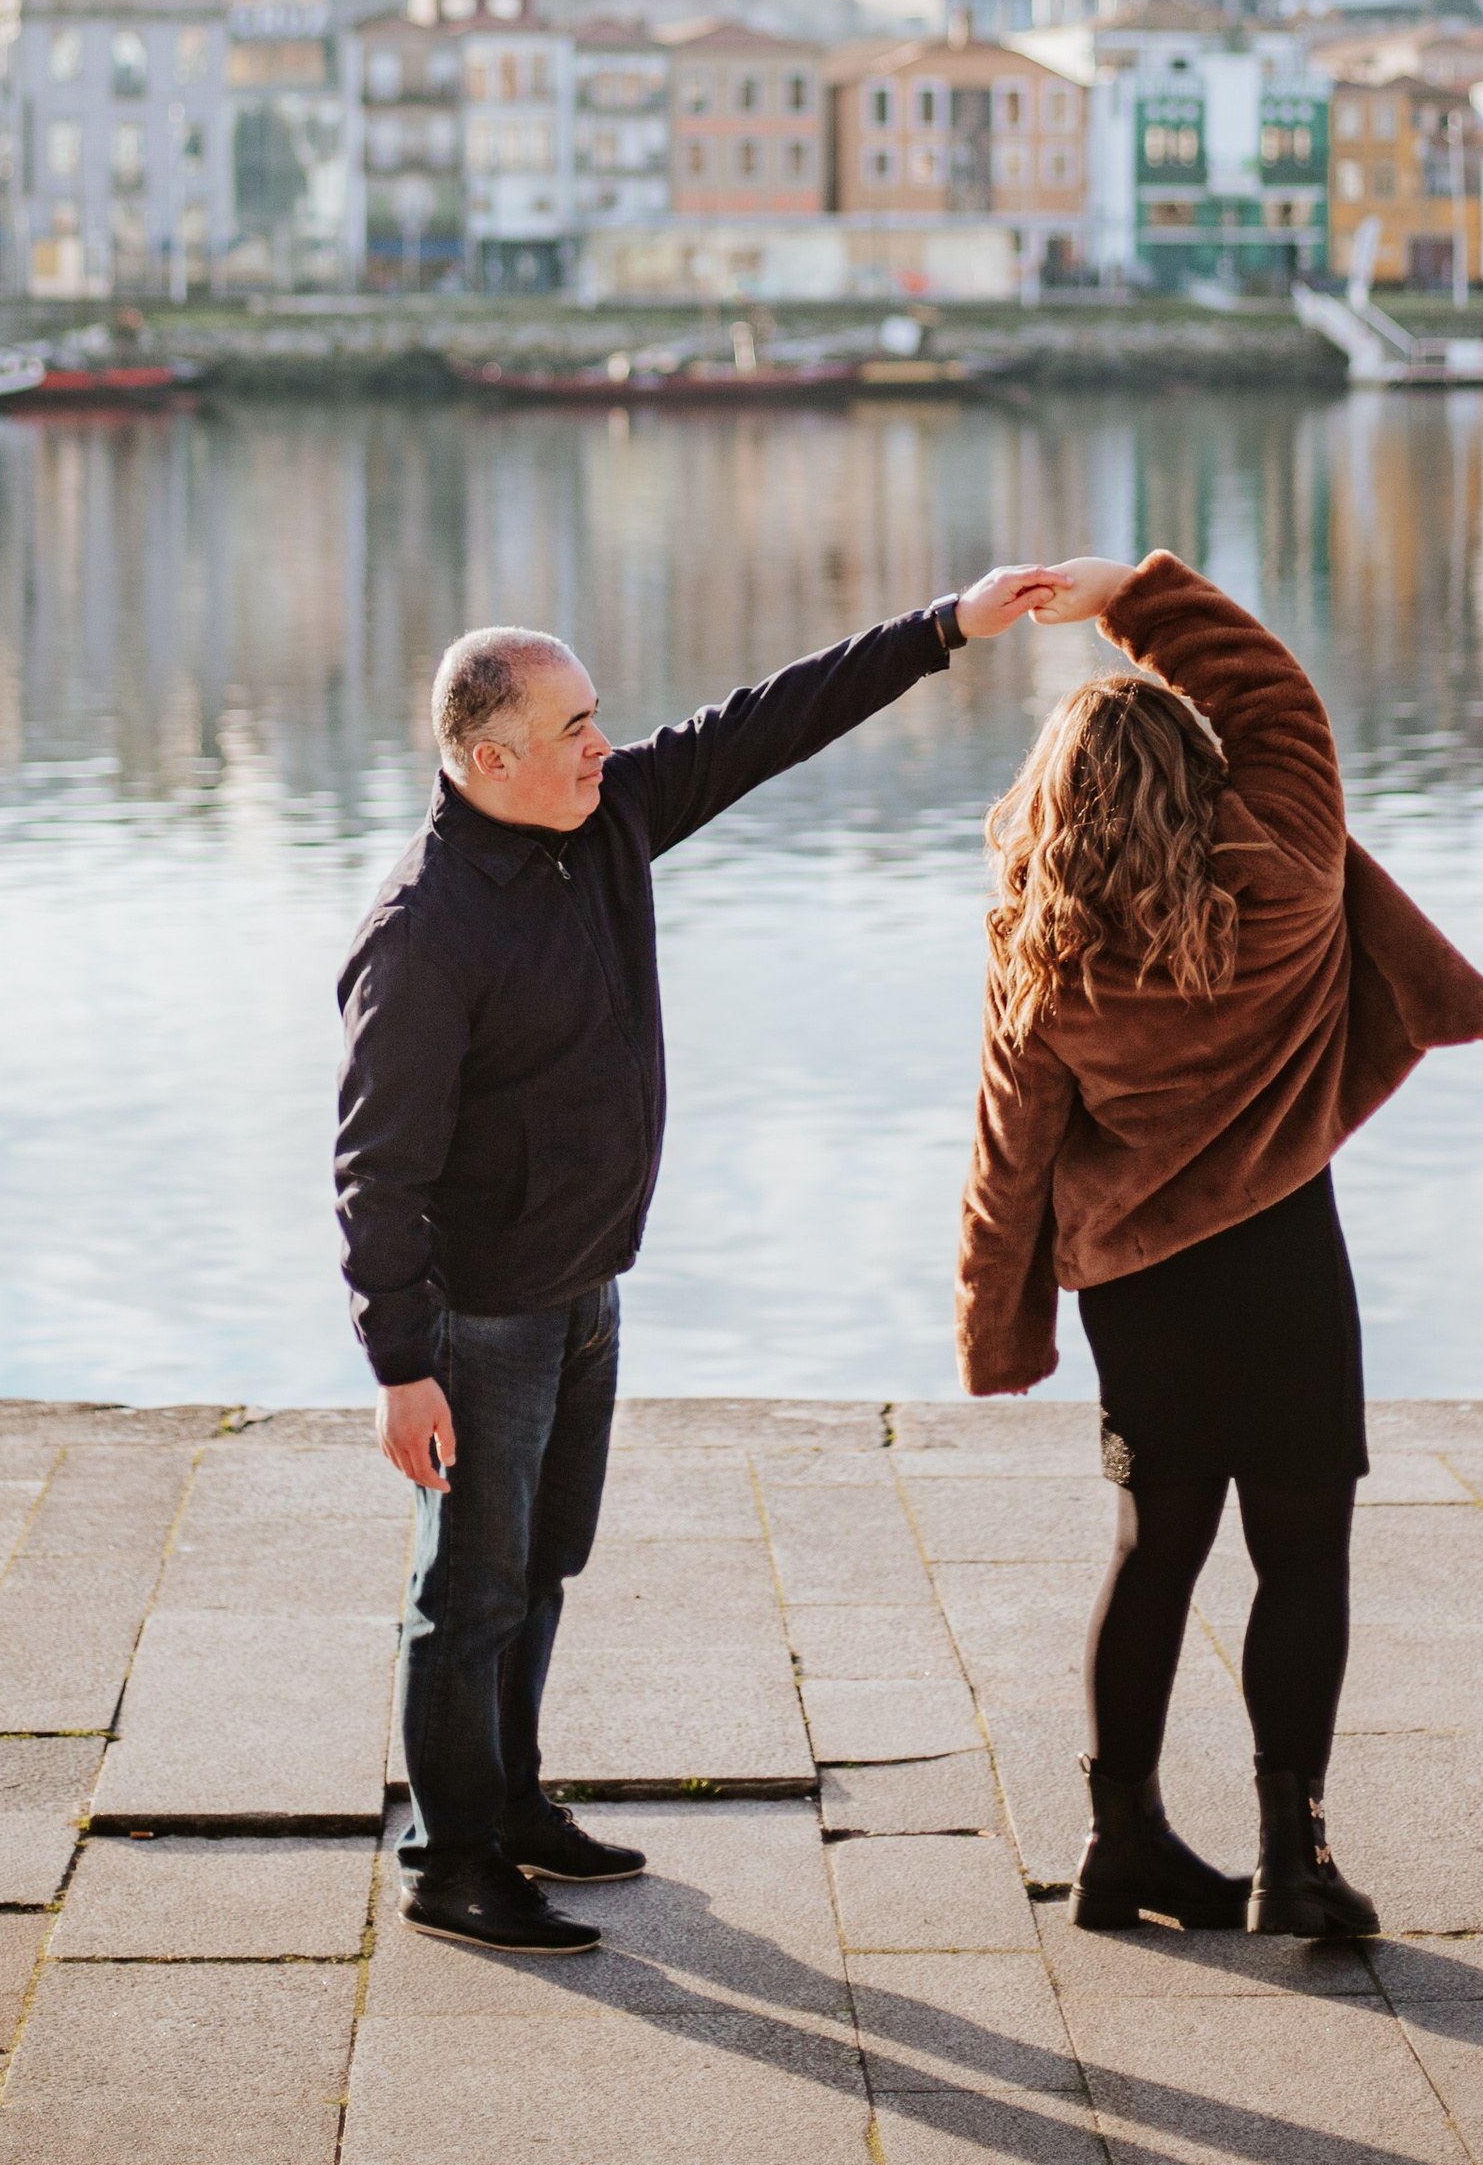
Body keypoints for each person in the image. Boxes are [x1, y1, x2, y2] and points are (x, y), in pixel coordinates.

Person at [338, 560, 1058, 1955]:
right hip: (482, 1314)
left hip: (584, 1281)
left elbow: (765, 722)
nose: (606, 745)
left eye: (599, 718)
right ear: (489, 758)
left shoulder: (601, 822)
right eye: (574, 730)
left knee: (544, 1563)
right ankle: (454, 1859)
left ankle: (516, 1802)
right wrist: (401, 1368)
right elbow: (378, 1170)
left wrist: (942, 631)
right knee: (467, 1590)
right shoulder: (425, 932)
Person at [956, 549, 1483, 1941]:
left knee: (1153, 1549)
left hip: (1137, 1293)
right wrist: (1133, 593)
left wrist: (996, 1326)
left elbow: (1009, 1154)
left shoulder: (1045, 950)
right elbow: (1274, 699)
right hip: (1281, 1264)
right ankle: (1294, 1854)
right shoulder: (1284, 862)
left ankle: (1121, 1842)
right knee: (1302, 1551)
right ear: (1199, 775)